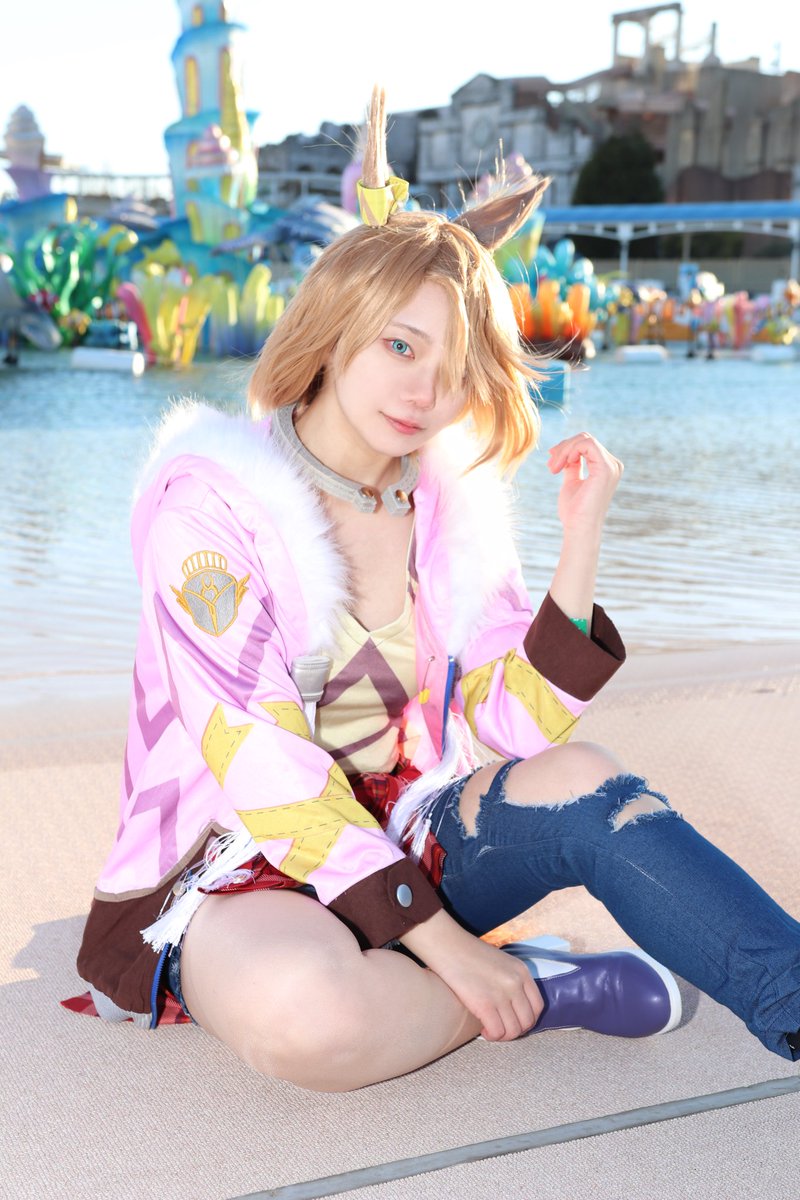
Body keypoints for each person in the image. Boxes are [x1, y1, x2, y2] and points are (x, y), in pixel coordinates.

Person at [75, 89, 800, 1090]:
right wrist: (448, 945)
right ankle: (541, 987)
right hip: (238, 860)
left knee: (593, 784)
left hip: (411, 827)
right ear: (334, 327)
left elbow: (512, 723)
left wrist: (580, 543)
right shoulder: (208, 507)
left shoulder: (450, 507)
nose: (423, 392)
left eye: (453, 366)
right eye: (399, 346)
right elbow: (254, 753)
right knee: (309, 1019)